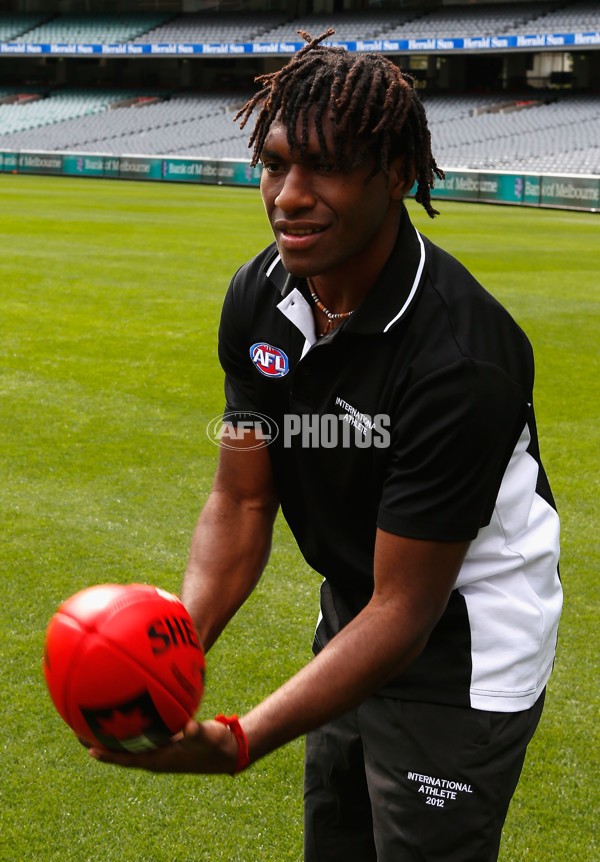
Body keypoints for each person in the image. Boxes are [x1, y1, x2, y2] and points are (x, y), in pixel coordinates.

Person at [88, 31, 563, 862]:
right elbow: (240, 498)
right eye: (274, 165)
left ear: (397, 176)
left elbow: (408, 610)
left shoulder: (462, 358)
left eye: (327, 167)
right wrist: (171, 655)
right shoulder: (261, 294)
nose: (288, 197)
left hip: (462, 647)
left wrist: (241, 741)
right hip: (356, 611)